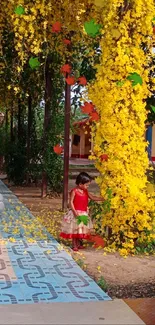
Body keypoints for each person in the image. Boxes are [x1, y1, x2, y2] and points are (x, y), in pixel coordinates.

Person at [60, 172, 104, 251]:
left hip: (83, 213)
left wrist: (102, 199)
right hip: (76, 213)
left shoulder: (85, 191)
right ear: (80, 184)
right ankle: (74, 244)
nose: (87, 186)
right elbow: (71, 202)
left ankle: (79, 243)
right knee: (75, 229)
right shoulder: (74, 191)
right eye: (86, 185)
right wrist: (74, 212)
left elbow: (92, 197)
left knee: (81, 229)